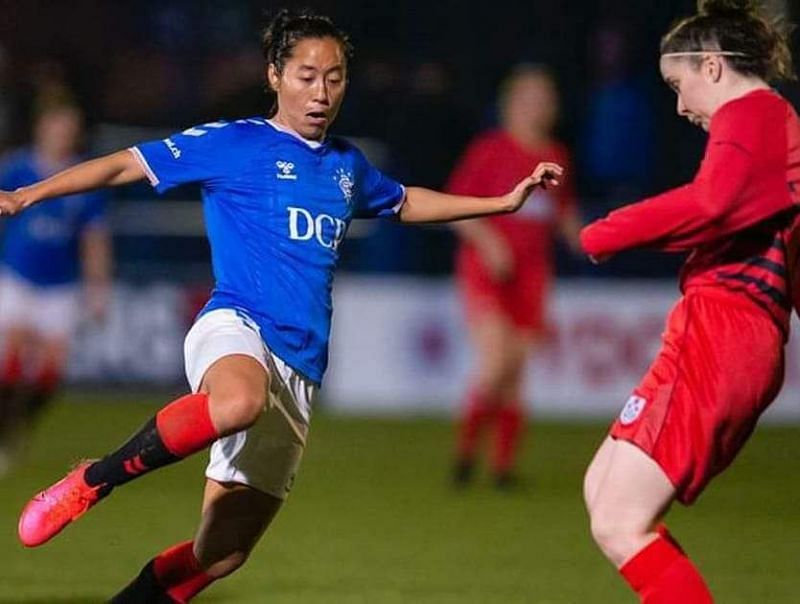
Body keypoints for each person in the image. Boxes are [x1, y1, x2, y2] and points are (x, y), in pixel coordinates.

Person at [3, 10, 563, 602]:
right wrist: (28, 194)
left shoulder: (347, 167)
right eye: (306, 75)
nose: (321, 92)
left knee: (219, 557)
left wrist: (501, 203)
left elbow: (404, 202)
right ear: (275, 76)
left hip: (301, 370)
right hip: (236, 324)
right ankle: (94, 479)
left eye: (335, 77)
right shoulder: (235, 142)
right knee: (239, 400)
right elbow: (125, 163)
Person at [580, 1, 799, 601]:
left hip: (726, 331)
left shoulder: (753, 113)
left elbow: (710, 204)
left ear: (712, 66)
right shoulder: (774, 128)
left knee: (620, 519)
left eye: (679, 85)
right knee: (603, 493)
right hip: (723, 329)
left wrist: (608, 232)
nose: (680, 107)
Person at [447, 64, 581, 488]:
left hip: (532, 275)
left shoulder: (557, 155)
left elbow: (561, 214)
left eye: (544, 99)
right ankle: (465, 459)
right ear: (510, 104)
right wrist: (489, 243)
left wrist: (593, 240)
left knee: (516, 373)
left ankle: (503, 468)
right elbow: (456, 207)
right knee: (495, 363)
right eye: (529, 98)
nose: (537, 107)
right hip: (487, 271)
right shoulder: (491, 150)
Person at [0, 97, 110, 473]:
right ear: (42, 128)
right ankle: (3, 432)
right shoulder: (17, 167)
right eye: (57, 125)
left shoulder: (83, 179)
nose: (62, 134)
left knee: (48, 375)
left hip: (60, 286)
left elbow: (94, 239)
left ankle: (20, 426)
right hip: (17, 277)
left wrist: (98, 289)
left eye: (69, 128)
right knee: (9, 364)